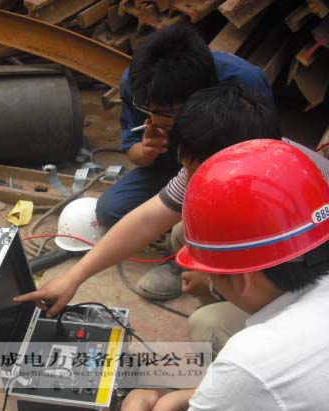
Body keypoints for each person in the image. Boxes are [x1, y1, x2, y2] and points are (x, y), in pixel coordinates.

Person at [116, 139, 329, 411]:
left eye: (213, 273)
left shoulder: (255, 361)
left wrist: (131, 410)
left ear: (243, 279)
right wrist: (185, 397)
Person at [96, 22, 272, 299]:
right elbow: (133, 150)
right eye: (150, 109)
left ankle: (191, 261)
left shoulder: (242, 82)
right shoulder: (141, 84)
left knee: (204, 222)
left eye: (167, 111)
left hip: (230, 172)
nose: (154, 117)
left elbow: (262, 160)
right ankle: (186, 241)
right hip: (172, 165)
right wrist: (146, 151)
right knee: (111, 210)